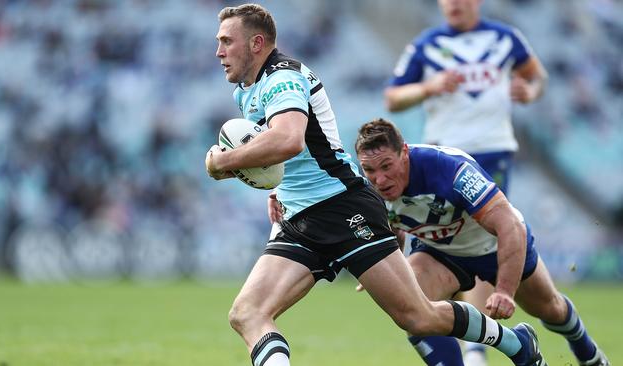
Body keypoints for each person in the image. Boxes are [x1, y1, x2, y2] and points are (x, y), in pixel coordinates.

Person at [205, 4, 548, 366]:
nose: (219, 51)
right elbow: (293, 150)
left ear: (257, 43)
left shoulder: (282, 79)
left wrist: (222, 162)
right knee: (247, 314)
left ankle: (515, 343)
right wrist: (277, 187)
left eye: (227, 41)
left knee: (418, 316)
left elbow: (289, 139)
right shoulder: (248, 89)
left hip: (343, 207)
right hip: (300, 218)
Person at [354, 118, 610, 366]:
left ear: (405, 153)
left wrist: (505, 291)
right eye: (370, 170)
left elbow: (509, 226)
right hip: (439, 250)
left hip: (495, 245)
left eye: (386, 166)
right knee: (412, 307)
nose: (380, 179)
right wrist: (389, 259)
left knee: (550, 308)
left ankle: (587, 351)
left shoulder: (449, 169)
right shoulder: (364, 187)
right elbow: (392, 224)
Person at [383, 0, 548, 363]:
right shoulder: (427, 45)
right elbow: (393, 98)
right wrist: (430, 87)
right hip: (443, 159)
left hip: (492, 152)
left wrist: (530, 92)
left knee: (483, 240)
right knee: (439, 256)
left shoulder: (504, 38)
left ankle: (476, 349)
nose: (453, 4)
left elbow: (537, 76)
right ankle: (482, 342)